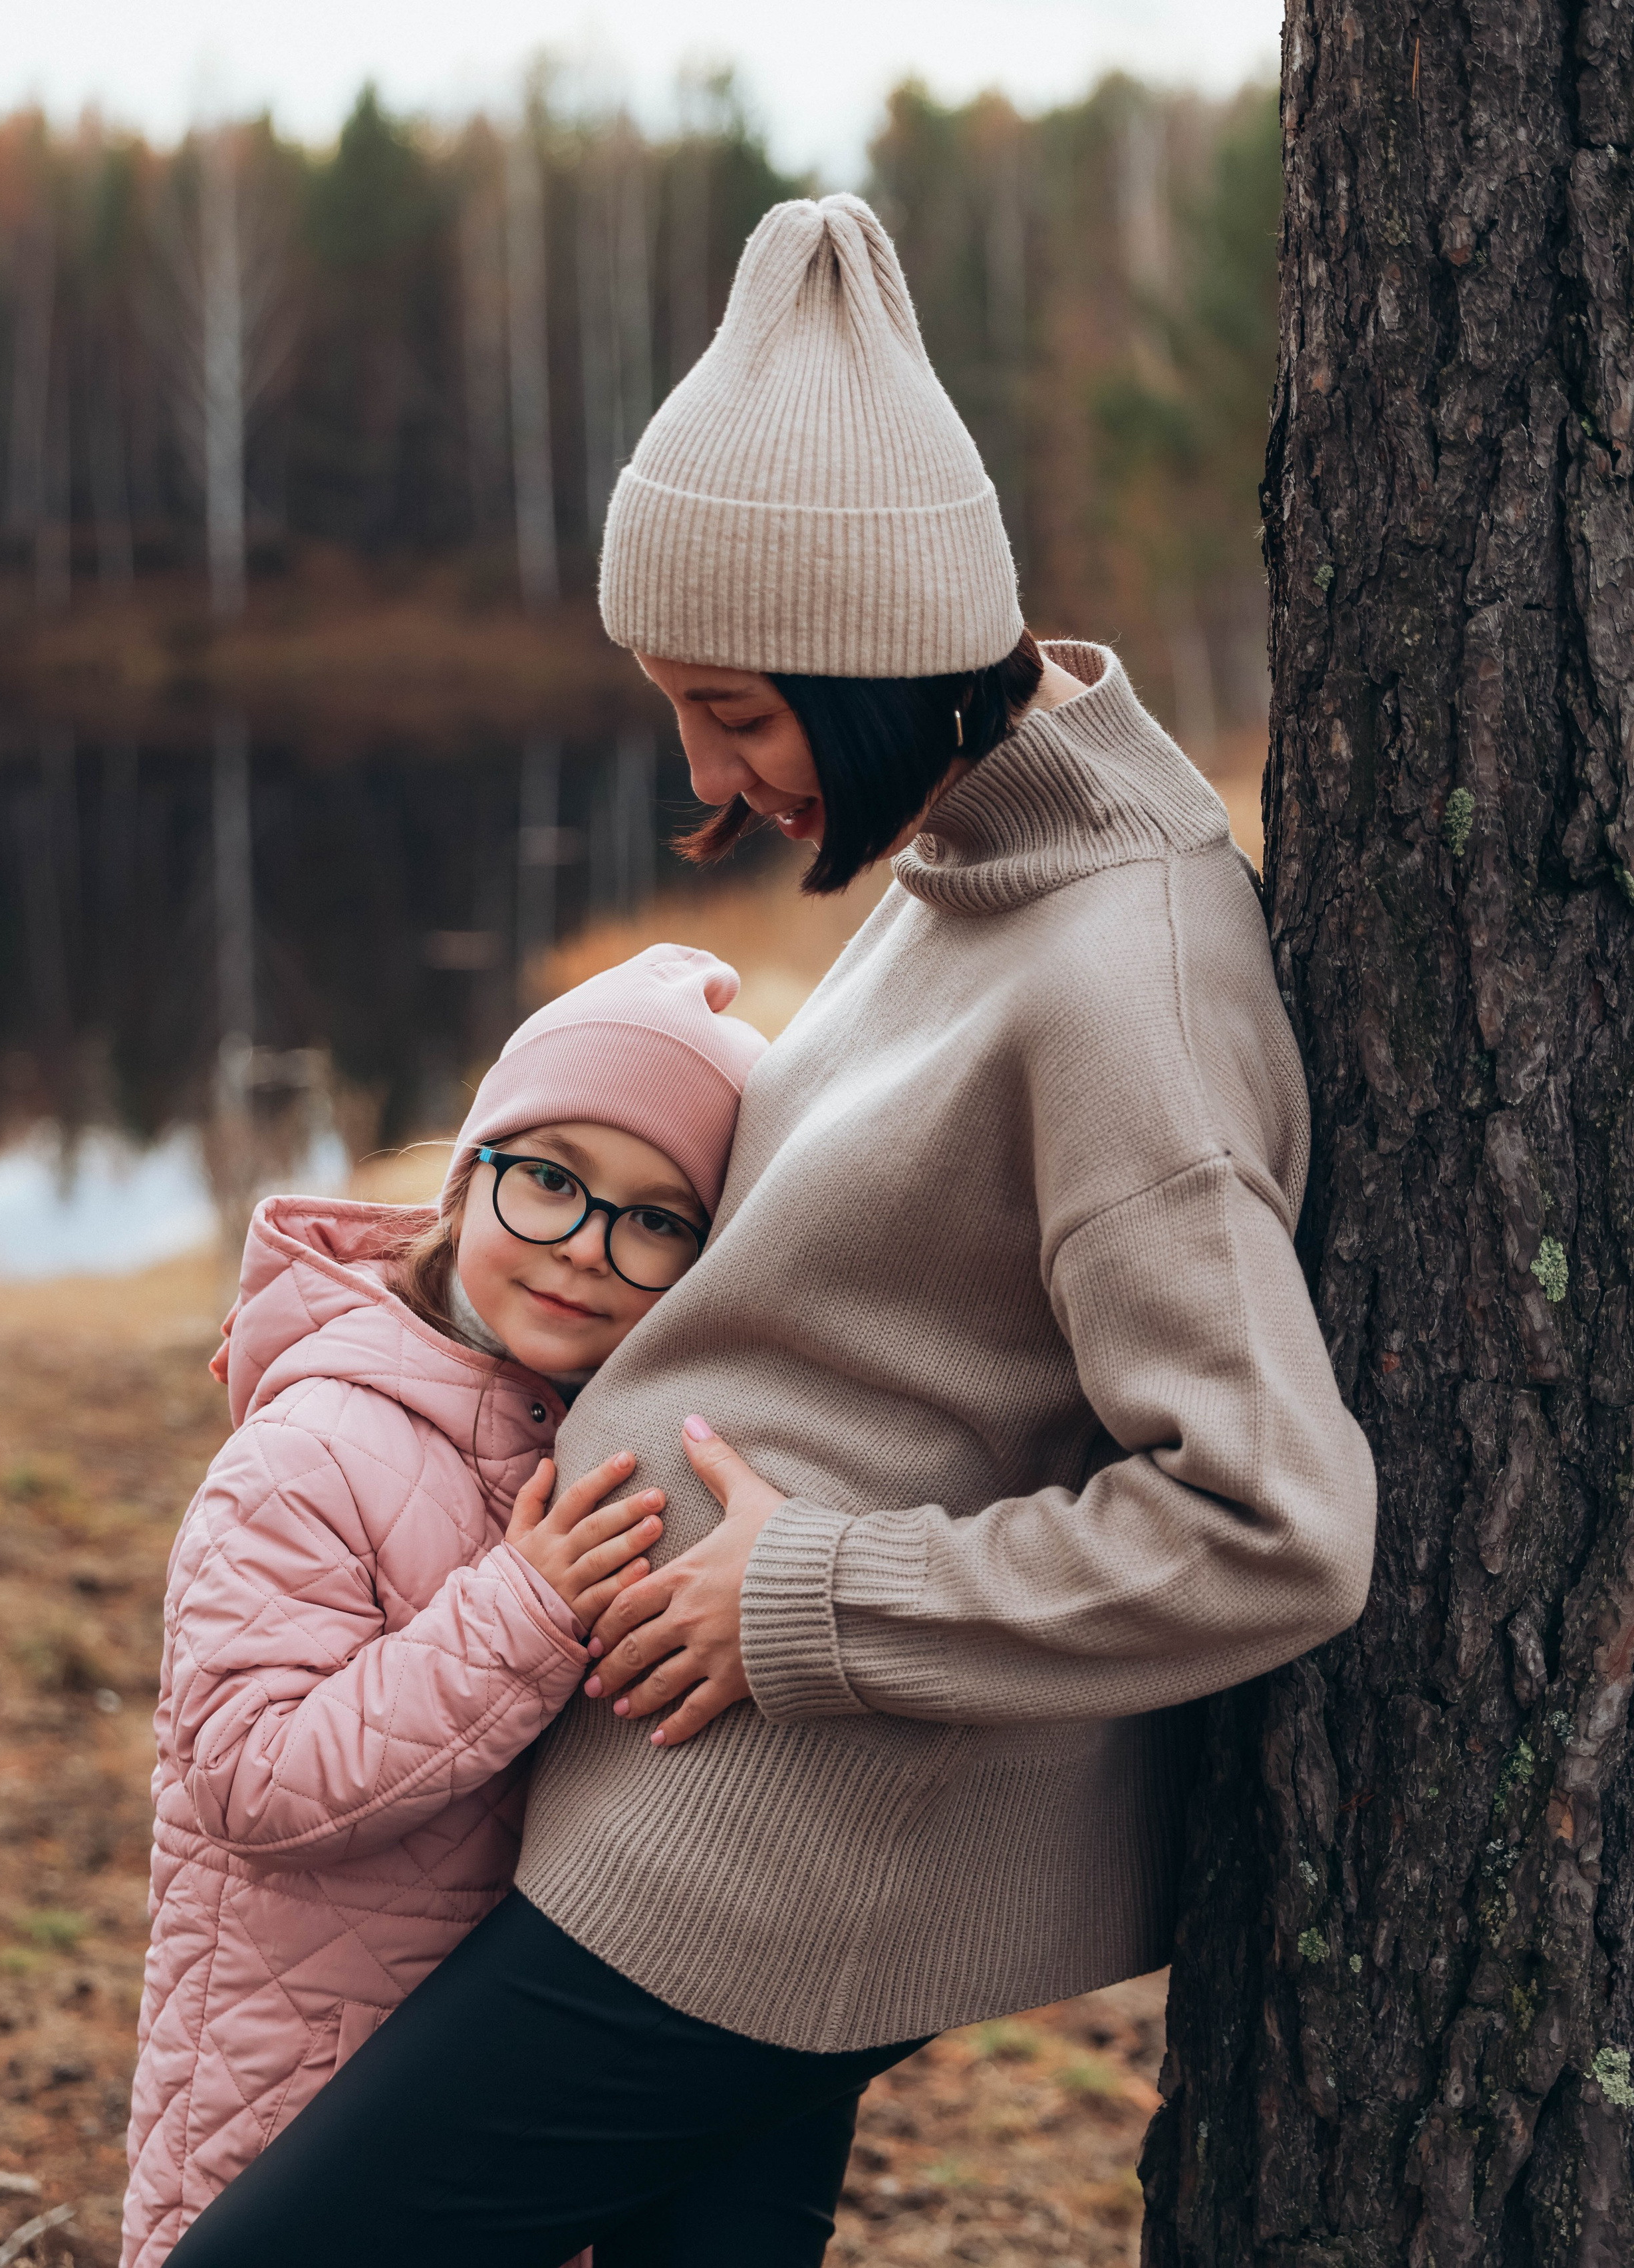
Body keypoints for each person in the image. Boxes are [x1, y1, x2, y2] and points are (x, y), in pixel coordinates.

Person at [164, 193, 1378, 2268]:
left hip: (762, 1863)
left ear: (880, 648)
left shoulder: (1128, 979)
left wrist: (799, 1598)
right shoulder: (960, 851)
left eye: (735, 708)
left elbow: (1276, 1520)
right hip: (680, 1817)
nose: (705, 776)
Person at [122, 945, 766, 2268]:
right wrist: (525, 1612)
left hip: (511, 2116)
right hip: (296, 2103)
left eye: (656, 1218)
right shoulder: (310, 1448)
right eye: (548, 1180)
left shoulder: (615, 1448)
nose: (585, 1248)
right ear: (467, 1172)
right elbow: (254, 1777)